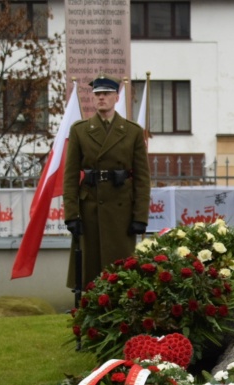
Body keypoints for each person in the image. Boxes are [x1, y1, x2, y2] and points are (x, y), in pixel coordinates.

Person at [63, 74, 151, 289]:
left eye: (106, 94)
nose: (101, 98)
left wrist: (140, 216)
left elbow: (142, 177)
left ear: (116, 97)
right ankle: (91, 315)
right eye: (98, 94)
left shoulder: (132, 131)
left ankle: (120, 316)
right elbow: (71, 176)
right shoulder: (80, 130)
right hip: (90, 209)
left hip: (121, 212)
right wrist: (72, 215)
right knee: (90, 272)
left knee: (121, 273)